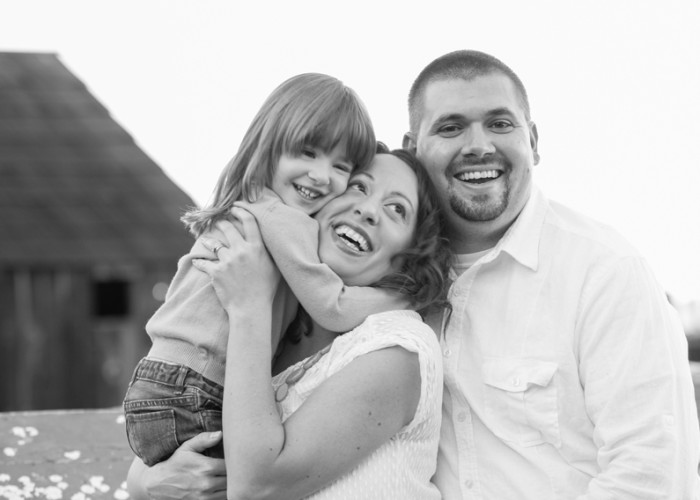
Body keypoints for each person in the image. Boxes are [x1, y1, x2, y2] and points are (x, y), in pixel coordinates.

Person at [402, 49, 700, 498]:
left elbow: (653, 473)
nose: (479, 145)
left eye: (500, 124)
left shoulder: (605, 271)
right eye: (451, 126)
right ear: (412, 151)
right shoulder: (394, 278)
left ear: (534, 142)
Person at [127, 148, 453, 499]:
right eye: (358, 187)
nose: (368, 210)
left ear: (409, 253)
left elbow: (256, 485)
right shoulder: (281, 315)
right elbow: (177, 411)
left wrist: (249, 307)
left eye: (397, 209)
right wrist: (146, 483)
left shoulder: (397, 348)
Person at [122, 73, 410, 467]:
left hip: (161, 384)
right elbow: (333, 307)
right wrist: (404, 295)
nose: (322, 175)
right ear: (268, 147)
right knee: (258, 472)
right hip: (195, 389)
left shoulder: (250, 208)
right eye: (307, 153)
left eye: (341, 166)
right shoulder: (278, 218)